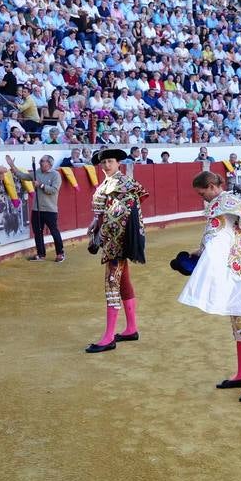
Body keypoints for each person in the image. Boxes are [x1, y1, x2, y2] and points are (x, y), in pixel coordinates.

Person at [178, 171, 241, 402]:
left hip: (237, 272)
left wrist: (204, 264)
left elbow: (218, 238)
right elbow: (217, 236)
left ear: (211, 186)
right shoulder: (226, 204)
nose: (203, 198)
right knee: (237, 321)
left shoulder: (225, 205)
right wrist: (200, 253)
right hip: (236, 269)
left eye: (202, 194)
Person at [84, 148, 148, 353]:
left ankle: (108, 337)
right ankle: (131, 328)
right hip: (112, 235)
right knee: (123, 282)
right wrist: (96, 221)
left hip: (116, 239)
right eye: (104, 163)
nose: (106, 165)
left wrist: (102, 235)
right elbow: (105, 210)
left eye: (110, 161)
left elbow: (123, 211)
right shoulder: (110, 182)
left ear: (119, 163)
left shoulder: (122, 182)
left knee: (112, 282)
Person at [9, 154, 65, 263]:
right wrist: (13, 166)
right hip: (37, 209)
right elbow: (23, 176)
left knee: (54, 231)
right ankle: (41, 254)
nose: (40, 162)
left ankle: (60, 253)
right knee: (38, 232)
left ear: (49, 163)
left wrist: (41, 185)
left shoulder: (55, 175)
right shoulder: (37, 172)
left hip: (50, 209)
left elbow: (54, 190)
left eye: (42, 161)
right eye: (40, 161)